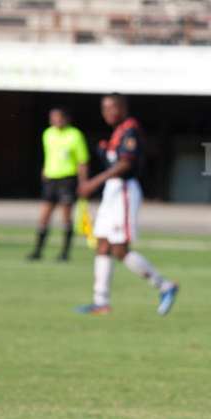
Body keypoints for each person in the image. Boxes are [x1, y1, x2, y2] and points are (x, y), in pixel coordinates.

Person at [75, 93, 178, 316]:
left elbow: (125, 164)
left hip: (124, 190)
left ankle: (164, 286)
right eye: (104, 108)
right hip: (111, 190)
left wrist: (93, 182)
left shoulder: (130, 130)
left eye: (112, 107)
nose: (107, 112)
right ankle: (100, 301)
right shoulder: (117, 133)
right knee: (102, 243)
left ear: (122, 107)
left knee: (119, 249)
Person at [27, 107, 88, 261]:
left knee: (66, 217)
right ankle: (38, 250)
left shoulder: (75, 135)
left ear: (66, 119)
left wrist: (83, 183)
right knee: (44, 216)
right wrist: (45, 170)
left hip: (67, 179)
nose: (56, 121)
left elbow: (82, 161)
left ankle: (65, 253)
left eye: (59, 117)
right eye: (53, 118)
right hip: (51, 179)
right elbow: (49, 155)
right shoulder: (47, 134)